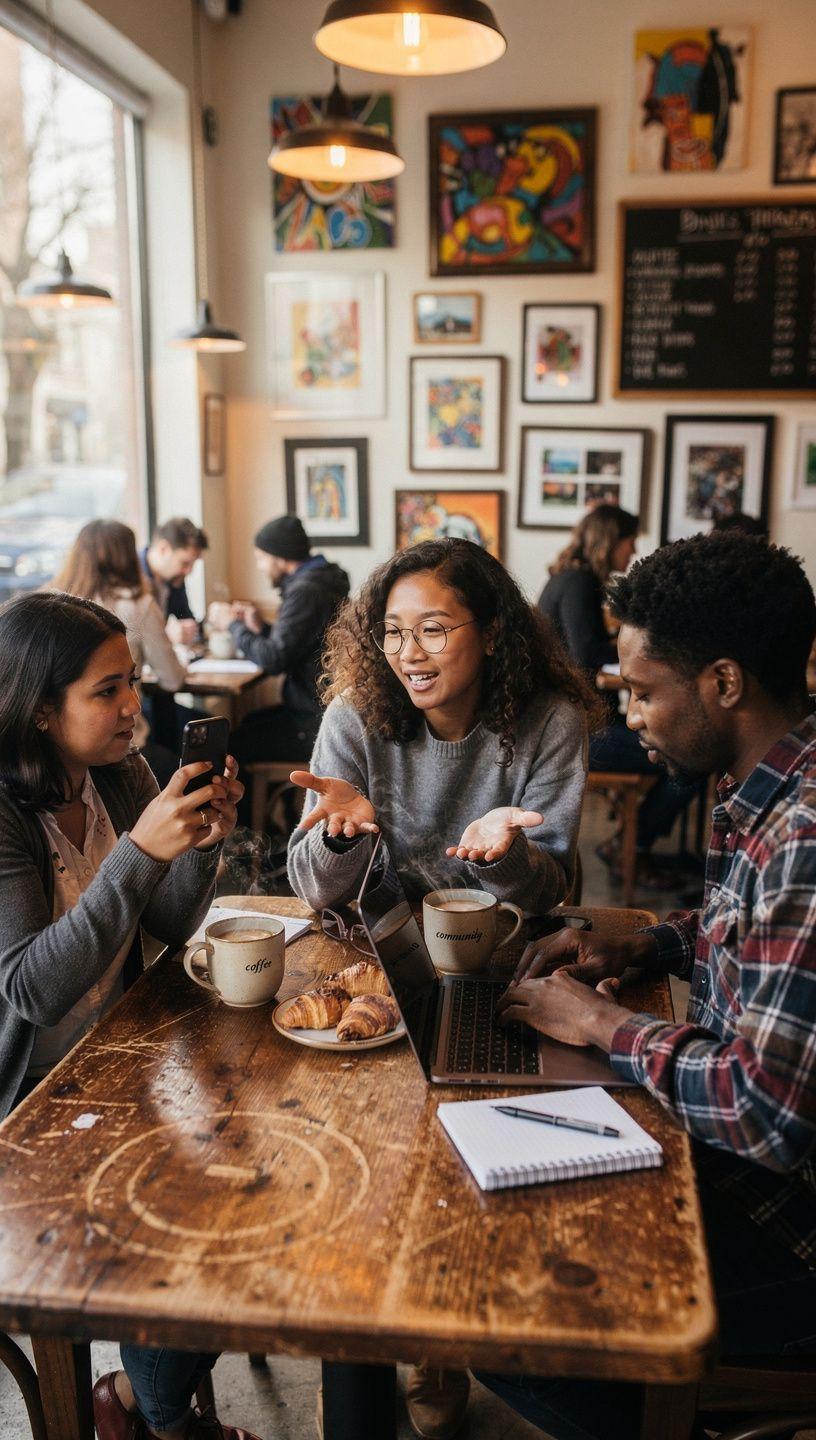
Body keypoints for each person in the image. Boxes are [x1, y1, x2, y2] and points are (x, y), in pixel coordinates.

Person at [482, 532, 816, 1440]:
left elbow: (765, 1110)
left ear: (723, 684)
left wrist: (596, 1021)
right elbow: (740, 929)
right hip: (747, 1180)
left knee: (497, 1311)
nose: (628, 711)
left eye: (641, 690)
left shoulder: (805, 835)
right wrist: (639, 951)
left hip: (790, 1234)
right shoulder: (762, 785)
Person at [287, 537, 597, 1438]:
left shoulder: (547, 723)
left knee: (470, 1165)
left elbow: (553, 893)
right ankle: (363, 1344)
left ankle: (438, 1338)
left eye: (433, 629)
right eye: (391, 632)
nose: (409, 653)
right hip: (372, 957)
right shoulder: (357, 713)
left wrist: (511, 856)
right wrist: (341, 841)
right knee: (355, 1167)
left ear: (493, 632)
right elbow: (310, 886)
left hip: (492, 956)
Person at [0, 592, 257, 1440]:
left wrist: (203, 840)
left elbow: (165, 925)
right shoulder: (5, 813)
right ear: (40, 710)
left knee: (248, 1195)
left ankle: (143, 1402)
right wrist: (142, 849)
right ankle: (156, 1416)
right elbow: (32, 988)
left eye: (133, 682)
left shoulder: (119, 773)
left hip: (120, 1064)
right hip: (28, 1104)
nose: (133, 707)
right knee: (182, 1232)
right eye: (107, 691)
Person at [537, 504, 695, 886]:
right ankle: (631, 849)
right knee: (687, 760)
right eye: (630, 540)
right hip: (578, 734)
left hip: (570, 724)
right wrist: (649, 649)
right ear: (610, 541)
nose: (633, 549)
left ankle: (630, 846)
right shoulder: (578, 582)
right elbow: (586, 653)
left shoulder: (571, 577)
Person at [207, 515, 350, 820]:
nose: (259, 566)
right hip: (318, 709)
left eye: (261, 557)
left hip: (312, 721)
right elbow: (299, 643)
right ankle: (277, 826)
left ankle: (247, 835)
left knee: (234, 746)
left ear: (280, 557)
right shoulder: (320, 581)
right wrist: (260, 627)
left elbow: (274, 660)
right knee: (246, 726)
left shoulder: (307, 591)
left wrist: (232, 625)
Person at [51, 519, 186, 786]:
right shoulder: (138, 604)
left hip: (59, 750)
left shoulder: (49, 602)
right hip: (124, 744)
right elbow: (173, 679)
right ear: (128, 556)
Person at [140, 517, 209, 647]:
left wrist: (206, 624)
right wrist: (164, 636)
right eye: (185, 563)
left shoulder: (174, 578)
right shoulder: (128, 574)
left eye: (193, 564)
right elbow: (125, 636)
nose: (188, 571)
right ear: (163, 549)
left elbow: (186, 619)